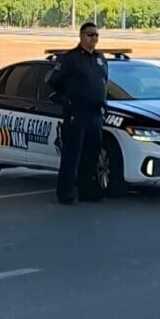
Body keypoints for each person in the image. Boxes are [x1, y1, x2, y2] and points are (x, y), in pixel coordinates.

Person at [47, 22, 109, 204]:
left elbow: (104, 81)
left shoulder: (100, 58)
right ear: (81, 36)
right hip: (76, 113)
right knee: (71, 155)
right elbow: (54, 80)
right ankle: (65, 193)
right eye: (90, 35)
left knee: (91, 154)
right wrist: (68, 96)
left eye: (97, 35)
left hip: (95, 113)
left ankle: (87, 190)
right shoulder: (70, 58)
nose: (94, 38)